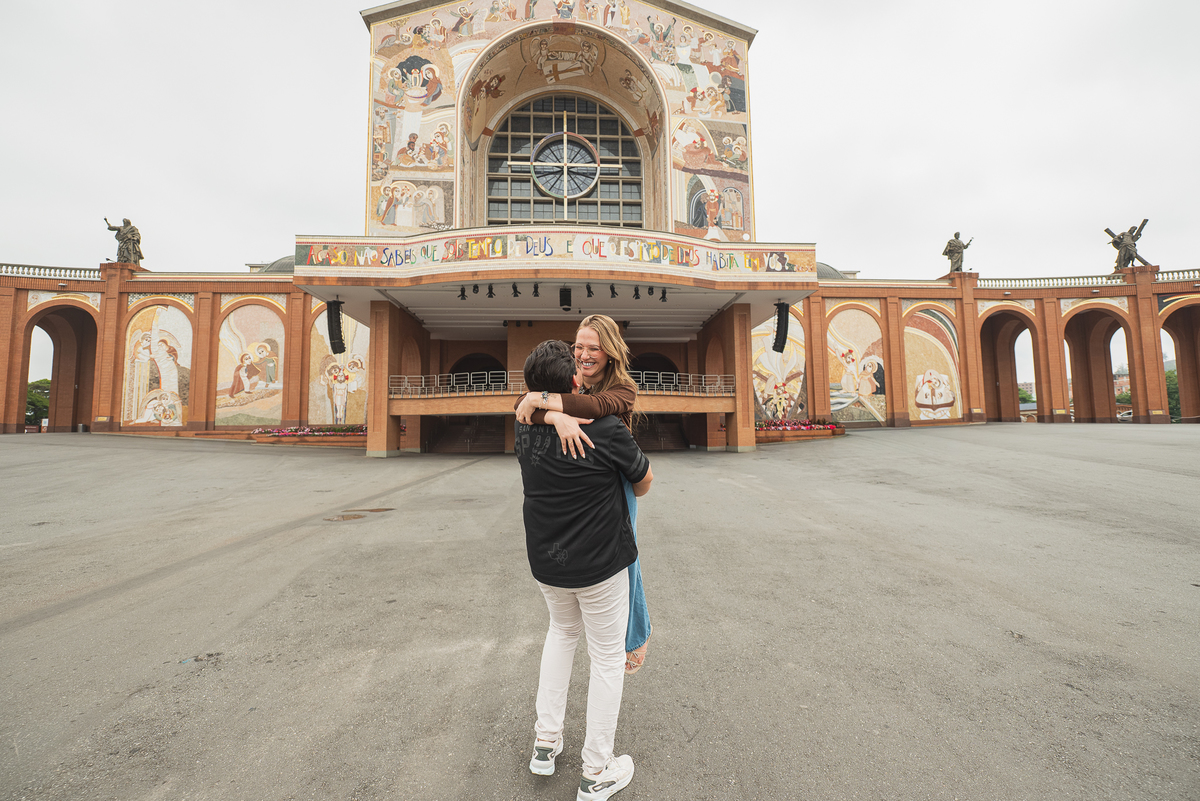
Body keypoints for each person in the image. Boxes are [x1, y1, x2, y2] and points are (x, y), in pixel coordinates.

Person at [516, 339, 652, 800]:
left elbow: (527, 407)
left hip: (546, 562)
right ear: (573, 381)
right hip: (598, 562)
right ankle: (596, 771)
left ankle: (545, 744)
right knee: (607, 658)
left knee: (561, 635)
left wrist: (547, 411)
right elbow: (644, 480)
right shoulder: (608, 428)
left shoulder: (524, 426)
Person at [515, 314, 652, 675]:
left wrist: (543, 403)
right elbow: (521, 407)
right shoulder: (565, 382)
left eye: (593, 348)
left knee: (628, 560)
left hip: (617, 475)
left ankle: (635, 637)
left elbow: (593, 410)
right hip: (579, 478)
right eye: (579, 347)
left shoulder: (623, 389)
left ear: (609, 352)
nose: (584, 354)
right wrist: (554, 417)